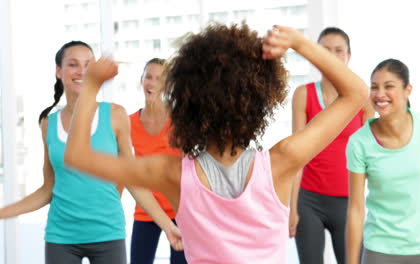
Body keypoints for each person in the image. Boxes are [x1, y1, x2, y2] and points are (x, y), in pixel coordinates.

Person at [64, 23, 369, 263]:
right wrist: (300, 44)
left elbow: (77, 157)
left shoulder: (171, 173)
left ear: (188, 108)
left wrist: (91, 85)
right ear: (257, 104)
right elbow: (355, 92)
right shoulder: (282, 161)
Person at [0, 40, 164, 264]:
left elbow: (132, 179)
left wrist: (167, 225)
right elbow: (48, 189)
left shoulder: (115, 115)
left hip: (108, 234)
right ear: (59, 71)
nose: (81, 71)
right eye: (73, 64)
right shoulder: (49, 124)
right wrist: (3, 212)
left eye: (88, 64)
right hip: (61, 237)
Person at [345, 58, 420, 264]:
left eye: (389, 86)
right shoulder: (359, 142)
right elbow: (356, 208)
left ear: (407, 90)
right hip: (379, 249)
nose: (380, 94)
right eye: (374, 87)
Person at [289, 27, 373, 264]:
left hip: (348, 202)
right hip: (308, 201)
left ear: (348, 56)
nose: (332, 56)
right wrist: (292, 206)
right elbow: (296, 155)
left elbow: (371, 156)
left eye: (339, 51)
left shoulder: (363, 98)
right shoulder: (303, 94)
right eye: (325, 50)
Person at [129, 58, 187, 264]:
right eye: (148, 77)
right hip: (146, 212)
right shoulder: (128, 123)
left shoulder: (180, 121)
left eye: (159, 78)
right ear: (141, 80)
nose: (152, 83)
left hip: (180, 210)